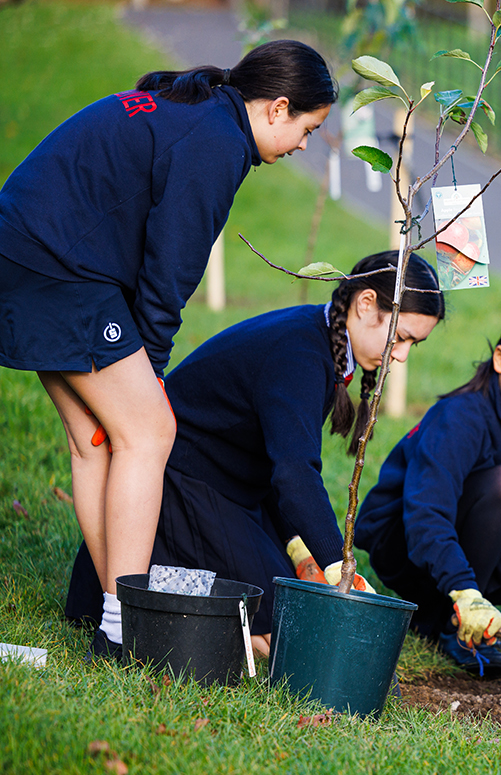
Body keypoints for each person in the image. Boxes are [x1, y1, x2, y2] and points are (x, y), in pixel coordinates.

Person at [0, 40, 336, 657]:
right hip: (56, 265)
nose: (303, 146)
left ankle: (115, 618)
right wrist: (149, 371)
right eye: (308, 129)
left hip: (25, 253)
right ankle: (125, 624)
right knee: (150, 430)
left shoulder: (201, 111)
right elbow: (170, 270)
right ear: (277, 108)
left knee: (93, 441)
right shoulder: (217, 142)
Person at [65, 252, 444, 657]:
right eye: (400, 337)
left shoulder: (318, 335)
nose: (401, 356)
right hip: (183, 487)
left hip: (229, 489)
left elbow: (275, 460)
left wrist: (301, 551)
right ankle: (150, 610)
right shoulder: (300, 354)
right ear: (365, 304)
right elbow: (294, 473)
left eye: (413, 344)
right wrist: (338, 566)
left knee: (293, 600)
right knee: (281, 626)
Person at [355, 309, 501, 679]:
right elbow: (425, 516)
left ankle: (461, 607)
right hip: (407, 545)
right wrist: (464, 591)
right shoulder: (460, 416)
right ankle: (451, 622)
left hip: (477, 542)